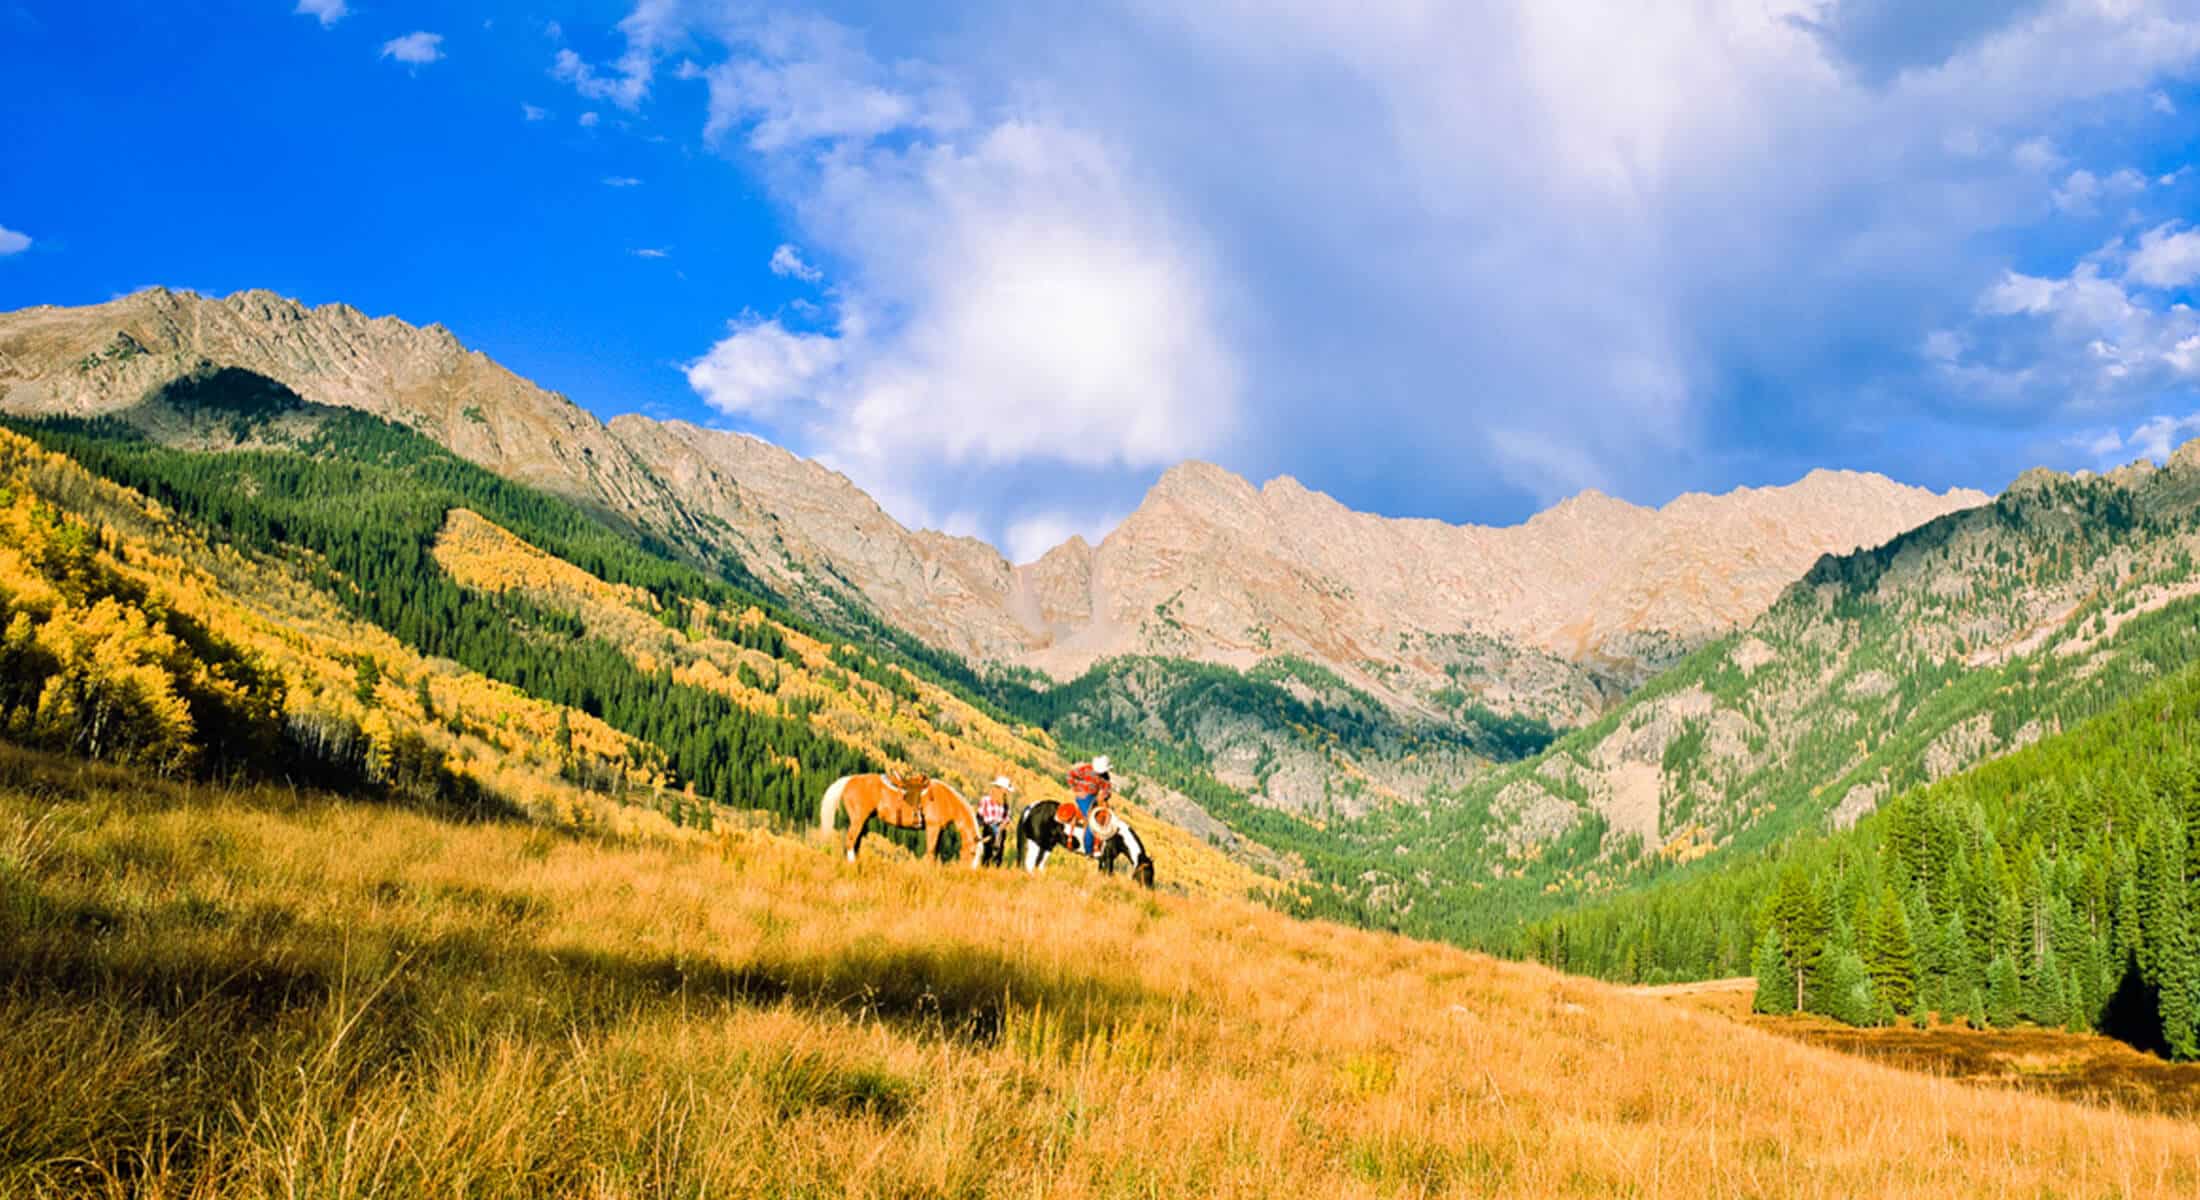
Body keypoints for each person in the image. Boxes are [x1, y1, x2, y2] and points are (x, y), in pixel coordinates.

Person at [1066, 754, 1113, 856]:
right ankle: (1089, 850)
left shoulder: (1105, 775)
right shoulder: (1086, 769)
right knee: (1091, 820)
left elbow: (1108, 789)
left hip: (1095, 798)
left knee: (1106, 818)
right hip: (1083, 797)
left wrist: (1104, 795)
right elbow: (1070, 775)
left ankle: (1101, 845)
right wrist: (1076, 789)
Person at [976, 775, 1014, 865]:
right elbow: (979, 816)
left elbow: (1006, 818)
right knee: (987, 853)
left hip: (1000, 828)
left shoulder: (1005, 804)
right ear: (1000, 789)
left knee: (999, 854)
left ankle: (996, 866)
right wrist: (986, 825)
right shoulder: (985, 800)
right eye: (1005, 790)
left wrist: (1003, 825)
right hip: (988, 828)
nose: (1006, 793)